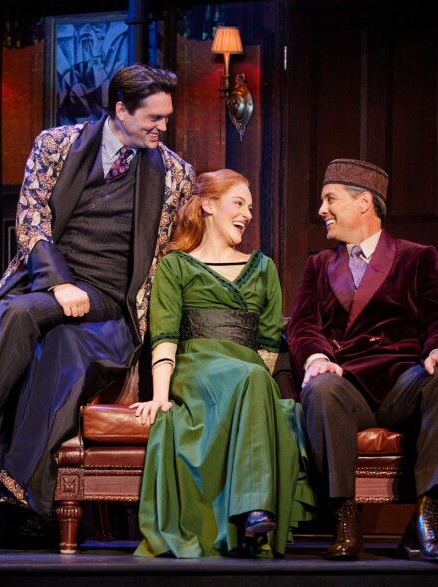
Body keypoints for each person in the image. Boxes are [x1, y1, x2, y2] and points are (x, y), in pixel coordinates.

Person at [0, 64, 196, 553]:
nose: (162, 127)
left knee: (53, 344)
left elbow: (179, 248)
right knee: (16, 320)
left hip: (112, 307)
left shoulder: (174, 173)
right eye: (154, 117)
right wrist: (60, 283)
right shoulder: (57, 145)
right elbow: (31, 217)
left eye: (167, 118)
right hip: (50, 286)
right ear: (121, 110)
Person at [286, 159, 438, 564]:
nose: (322, 210)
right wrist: (316, 355)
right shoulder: (319, 265)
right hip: (346, 384)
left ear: (364, 202)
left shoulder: (416, 257)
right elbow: (302, 326)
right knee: (320, 385)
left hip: (402, 383)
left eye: (330, 199)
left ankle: (426, 516)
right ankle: (345, 517)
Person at [130, 169, 316, 558]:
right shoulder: (176, 266)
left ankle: (255, 511)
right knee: (250, 377)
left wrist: (261, 394)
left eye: (250, 207)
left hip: (248, 373)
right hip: (197, 366)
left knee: (255, 380)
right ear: (209, 206)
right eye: (239, 203)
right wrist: (160, 396)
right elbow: (164, 335)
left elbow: (267, 347)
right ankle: (252, 509)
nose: (247, 214)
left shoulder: (262, 268)